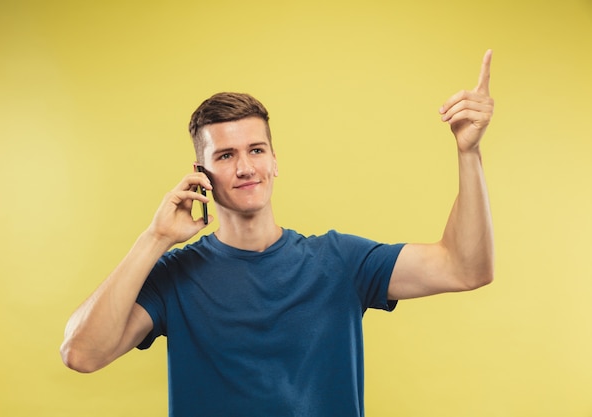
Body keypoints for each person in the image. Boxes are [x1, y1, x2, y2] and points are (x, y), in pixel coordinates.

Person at [61, 50, 495, 417]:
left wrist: (469, 154)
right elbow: (81, 354)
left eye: (256, 150)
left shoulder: (339, 261)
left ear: (274, 161)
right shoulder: (176, 276)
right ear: (201, 173)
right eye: (226, 155)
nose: (245, 167)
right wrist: (154, 238)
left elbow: (465, 267)